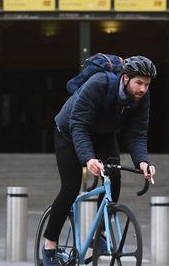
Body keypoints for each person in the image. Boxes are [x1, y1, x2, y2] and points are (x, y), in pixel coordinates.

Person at [42, 55, 157, 266]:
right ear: (125, 78)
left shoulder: (142, 98)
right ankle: (49, 247)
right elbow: (78, 125)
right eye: (138, 83)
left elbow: (137, 133)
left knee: (114, 177)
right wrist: (88, 159)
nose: (142, 89)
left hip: (103, 134)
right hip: (69, 132)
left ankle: (100, 236)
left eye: (147, 84)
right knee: (70, 188)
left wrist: (142, 161)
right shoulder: (100, 84)